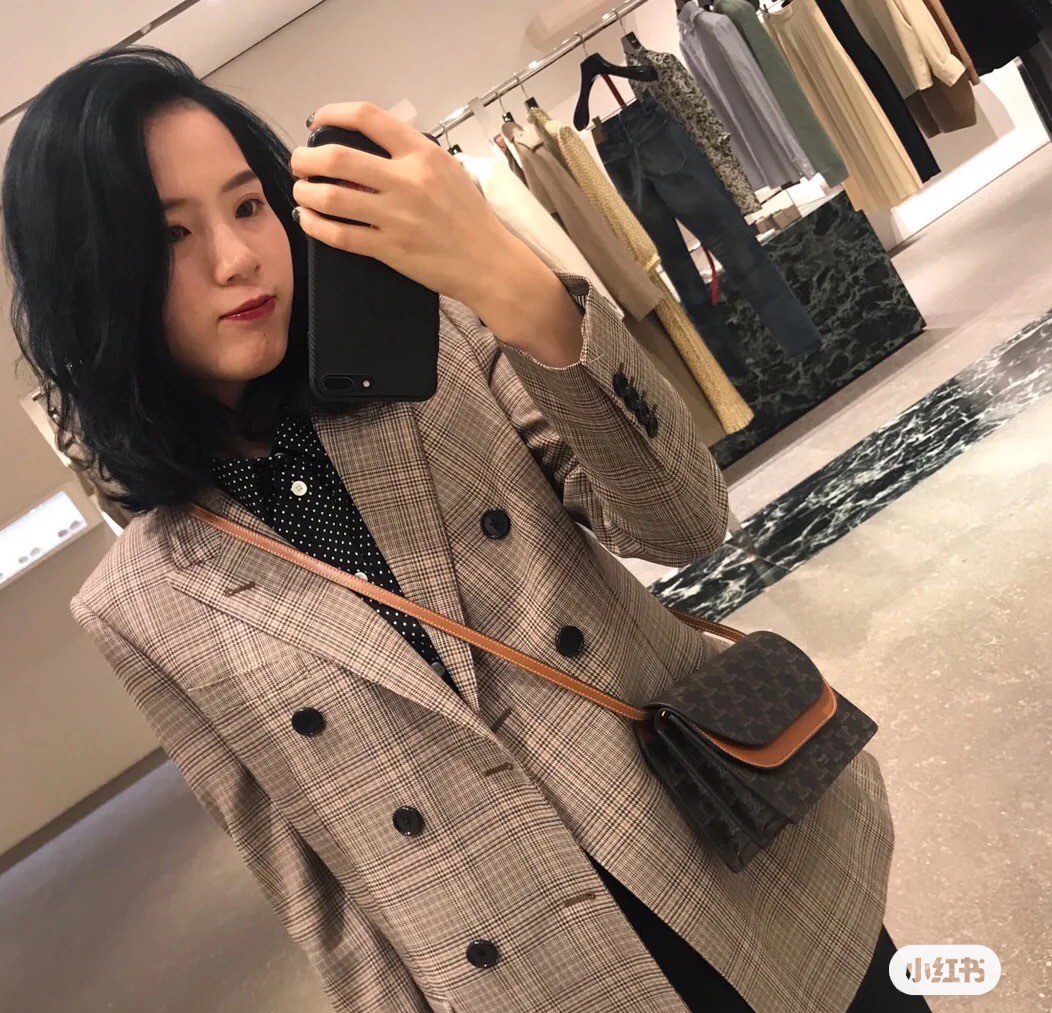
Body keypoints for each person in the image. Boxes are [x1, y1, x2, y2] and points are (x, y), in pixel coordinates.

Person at [3, 46, 928, 1013]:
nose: (236, 258)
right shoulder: (139, 600)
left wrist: (507, 276)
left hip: (718, 851)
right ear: (93, 280)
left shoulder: (438, 351)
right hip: (530, 976)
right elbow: (318, 892)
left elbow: (684, 522)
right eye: (170, 236)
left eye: (246, 205)